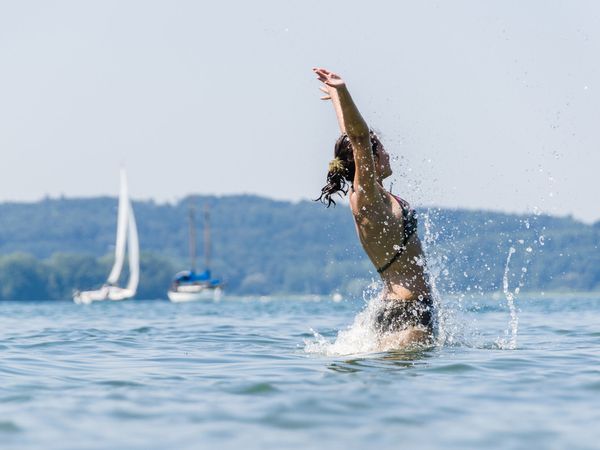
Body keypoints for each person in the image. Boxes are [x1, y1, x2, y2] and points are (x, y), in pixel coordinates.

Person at [313, 67, 435, 348]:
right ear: (367, 157)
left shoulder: (371, 194)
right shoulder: (366, 196)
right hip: (409, 313)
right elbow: (357, 140)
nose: (387, 153)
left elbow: (352, 138)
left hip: (399, 308)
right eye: (379, 149)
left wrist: (335, 98)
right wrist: (343, 91)